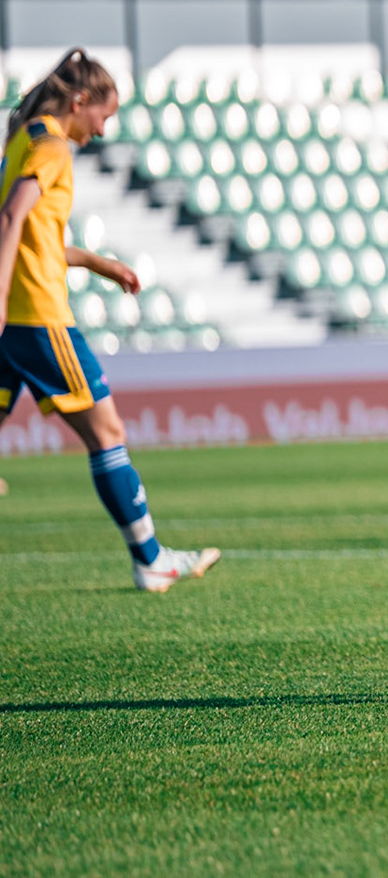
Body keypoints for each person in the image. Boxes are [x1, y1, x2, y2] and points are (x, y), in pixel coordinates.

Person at [0, 49, 220, 591]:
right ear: (80, 102)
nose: (102, 130)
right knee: (108, 433)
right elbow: (11, 218)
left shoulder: (24, 139)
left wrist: (98, 263)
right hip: (38, 318)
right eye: (104, 116)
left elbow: (36, 237)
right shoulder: (52, 148)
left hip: (20, 319)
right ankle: (150, 557)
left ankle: (151, 556)